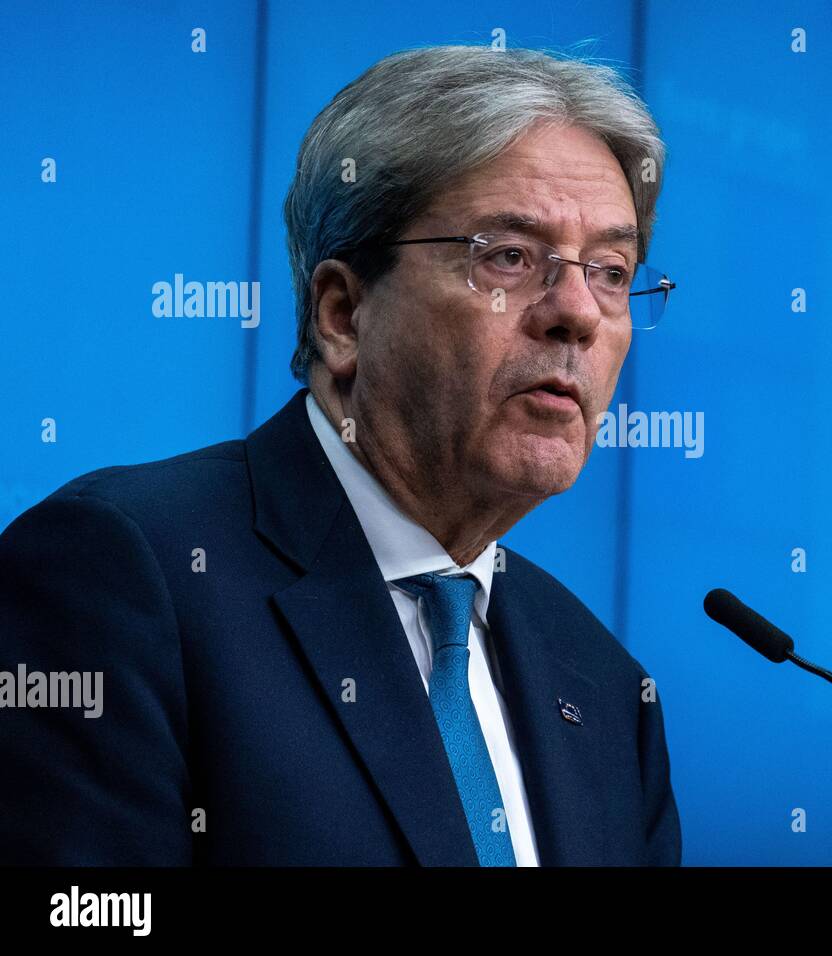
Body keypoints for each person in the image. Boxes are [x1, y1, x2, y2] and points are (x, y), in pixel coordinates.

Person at [0, 45, 681, 866]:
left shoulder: (605, 686)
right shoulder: (126, 573)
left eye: (612, 271)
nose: (576, 312)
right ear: (343, 314)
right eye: (508, 256)